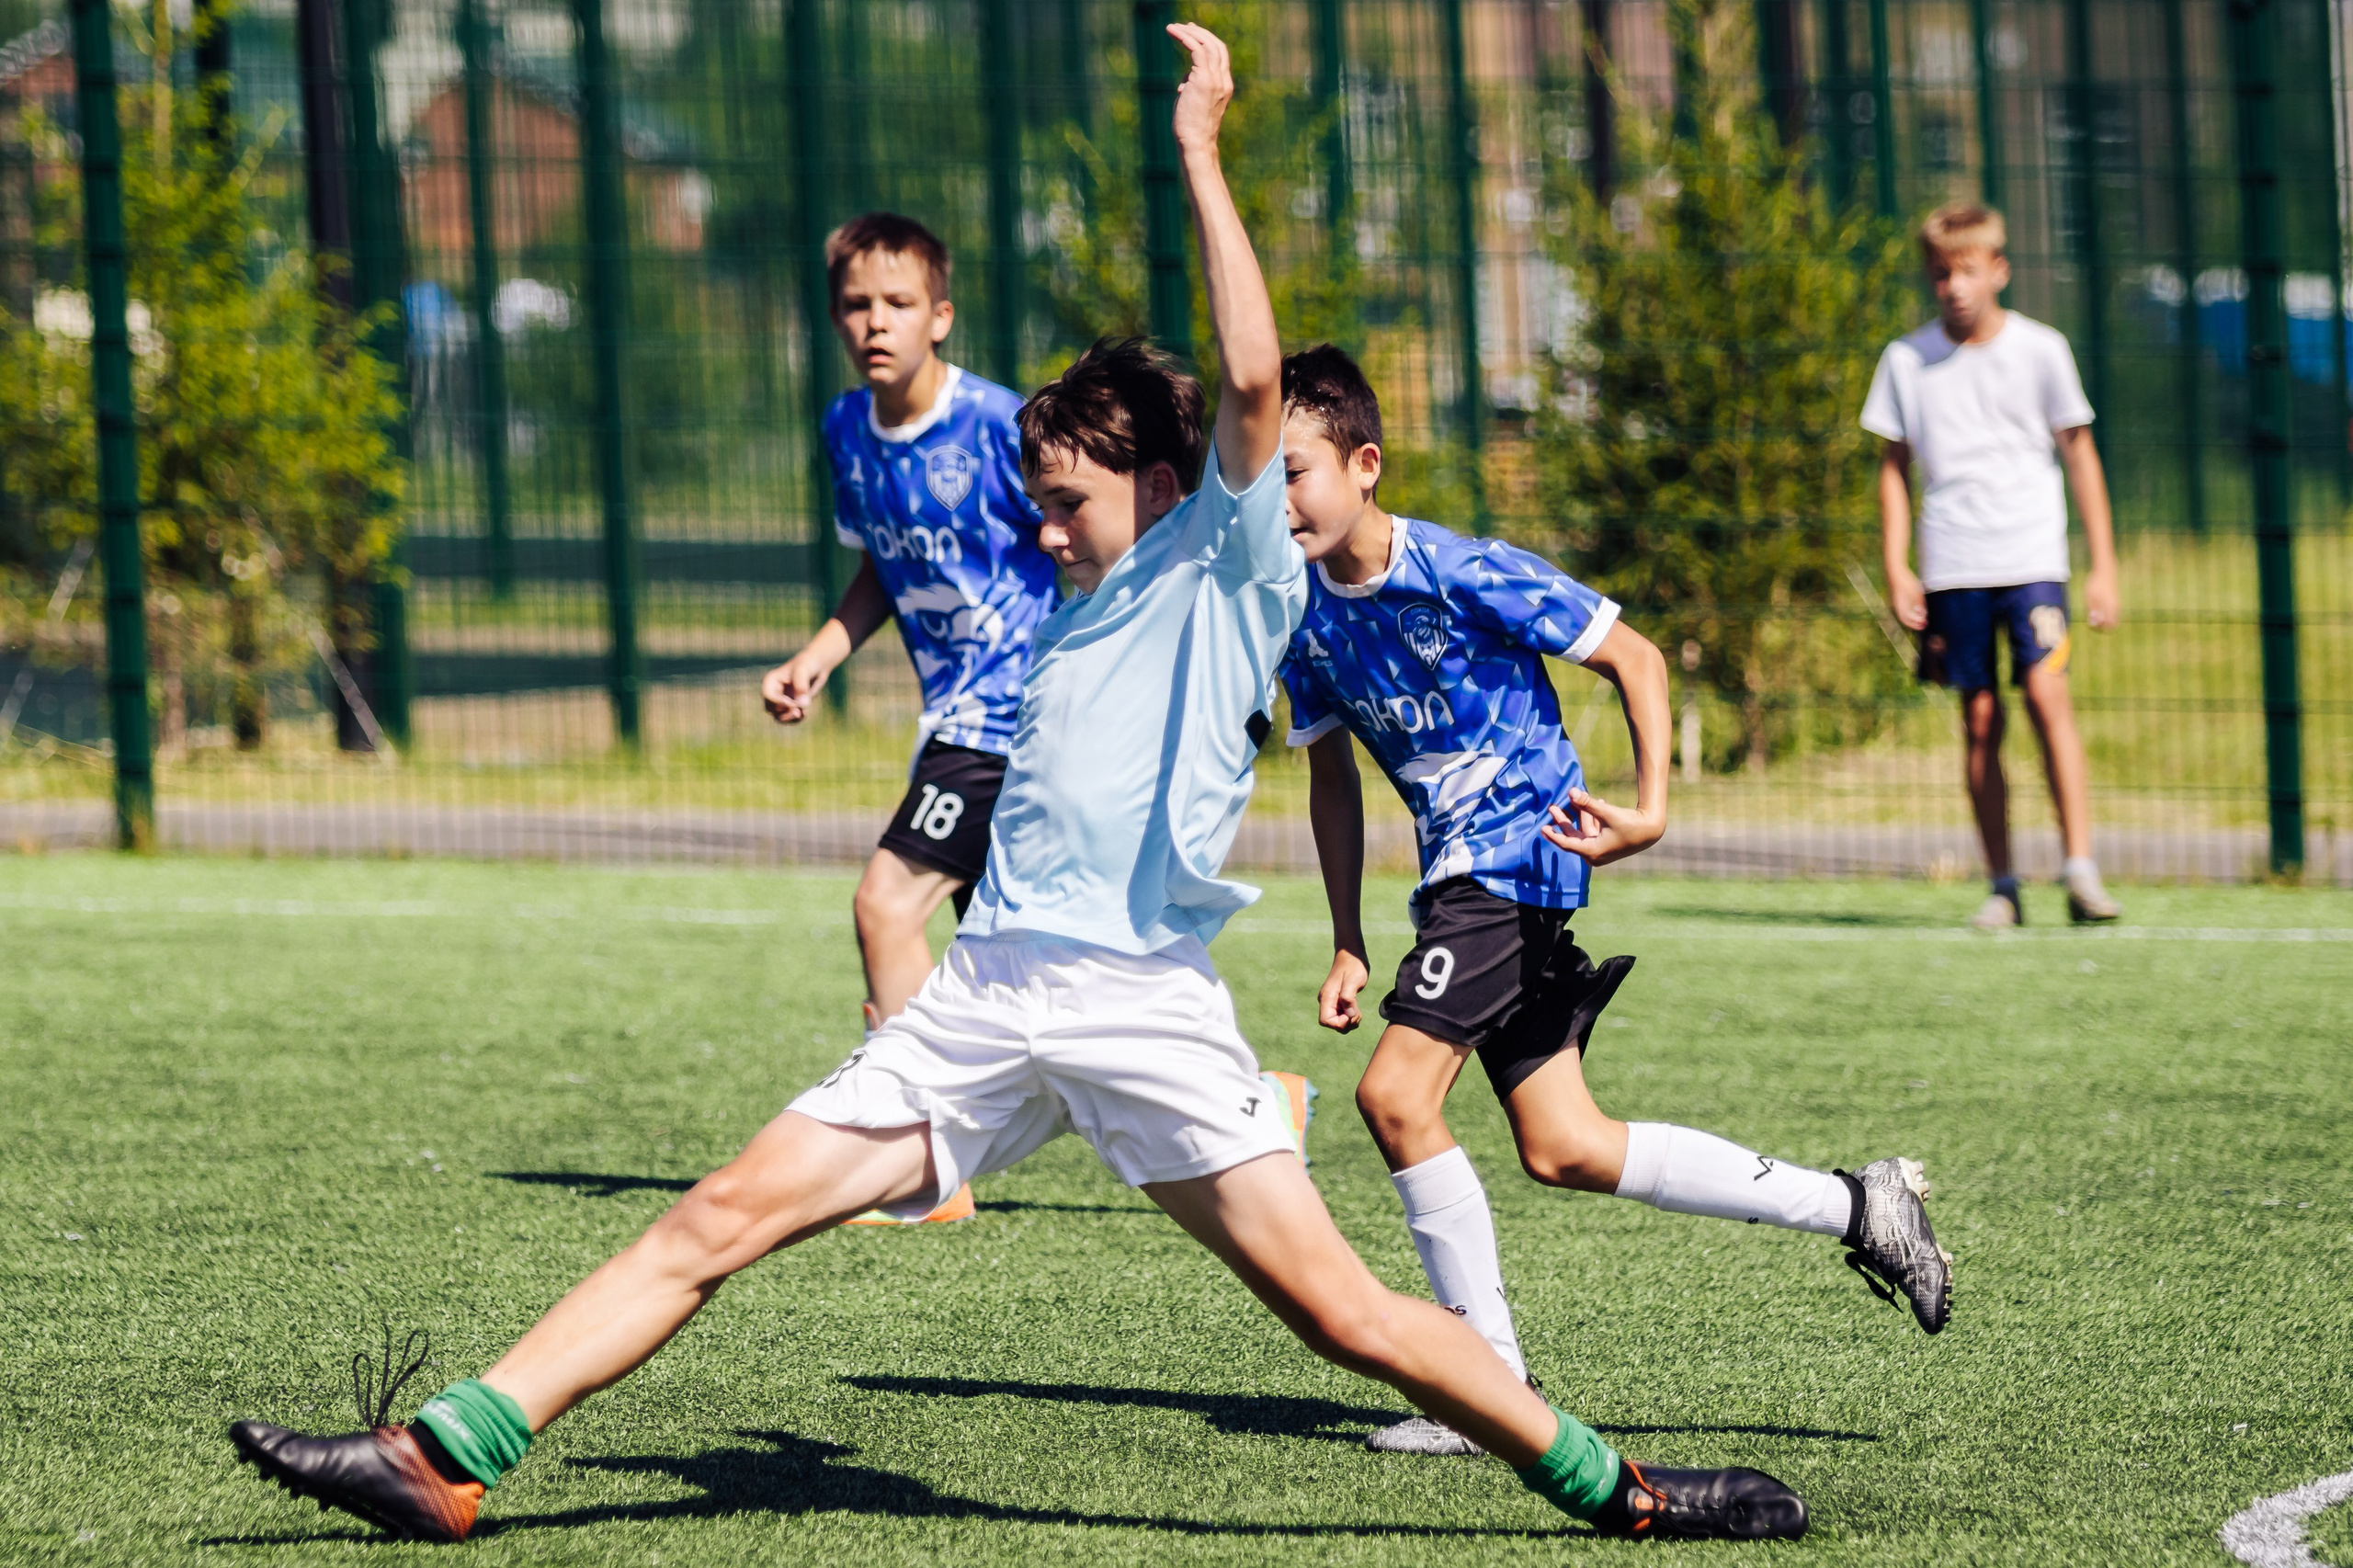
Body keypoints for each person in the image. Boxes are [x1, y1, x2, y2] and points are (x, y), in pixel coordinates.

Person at [225, 28, 1805, 1546]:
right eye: (1036, 504)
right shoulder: (1078, 611)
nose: (1040, 532)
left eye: (1064, 504)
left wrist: (1201, 149)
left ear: (1169, 494)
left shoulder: (1225, 563)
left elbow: (1251, 375)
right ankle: (448, 1456)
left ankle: (1623, 1487)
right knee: (721, 1213)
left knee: (1353, 1320)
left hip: (1136, 1008)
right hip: (985, 1000)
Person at [1277, 345, 1952, 1459]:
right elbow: (1331, 772)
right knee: (1566, 1144)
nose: (1277, 497)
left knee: (1395, 1099)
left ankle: (1483, 1378)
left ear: (1364, 463)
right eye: (1260, 475)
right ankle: (1860, 1204)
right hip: (1457, 883)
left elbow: (1632, 655)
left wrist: (1649, 809)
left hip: (1511, 862)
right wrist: (1346, 937)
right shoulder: (1302, 613)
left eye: (1293, 470)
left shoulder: (1460, 568)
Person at [760, 211, 1061, 1032]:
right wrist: (818, 657)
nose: (877, 321)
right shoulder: (846, 430)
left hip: (1009, 720)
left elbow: (1087, 540)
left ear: (940, 316)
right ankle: (1252, 1095)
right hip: (955, 723)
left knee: (885, 905)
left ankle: (924, 1143)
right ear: (836, 319)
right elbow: (881, 569)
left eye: (898, 301)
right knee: (1024, 985)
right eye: (858, 304)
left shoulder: (1001, 426)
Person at [1864, 200, 2123, 928]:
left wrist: (2102, 566)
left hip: (2032, 555)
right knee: (1979, 721)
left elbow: (2080, 454)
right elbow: (1893, 468)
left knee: (2048, 696)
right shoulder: (1905, 361)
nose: (1953, 286)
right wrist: (1897, 566)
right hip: (1953, 567)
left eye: (1968, 270)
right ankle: (2003, 884)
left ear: (1998, 271)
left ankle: (2080, 869)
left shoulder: (2042, 350)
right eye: (1941, 273)